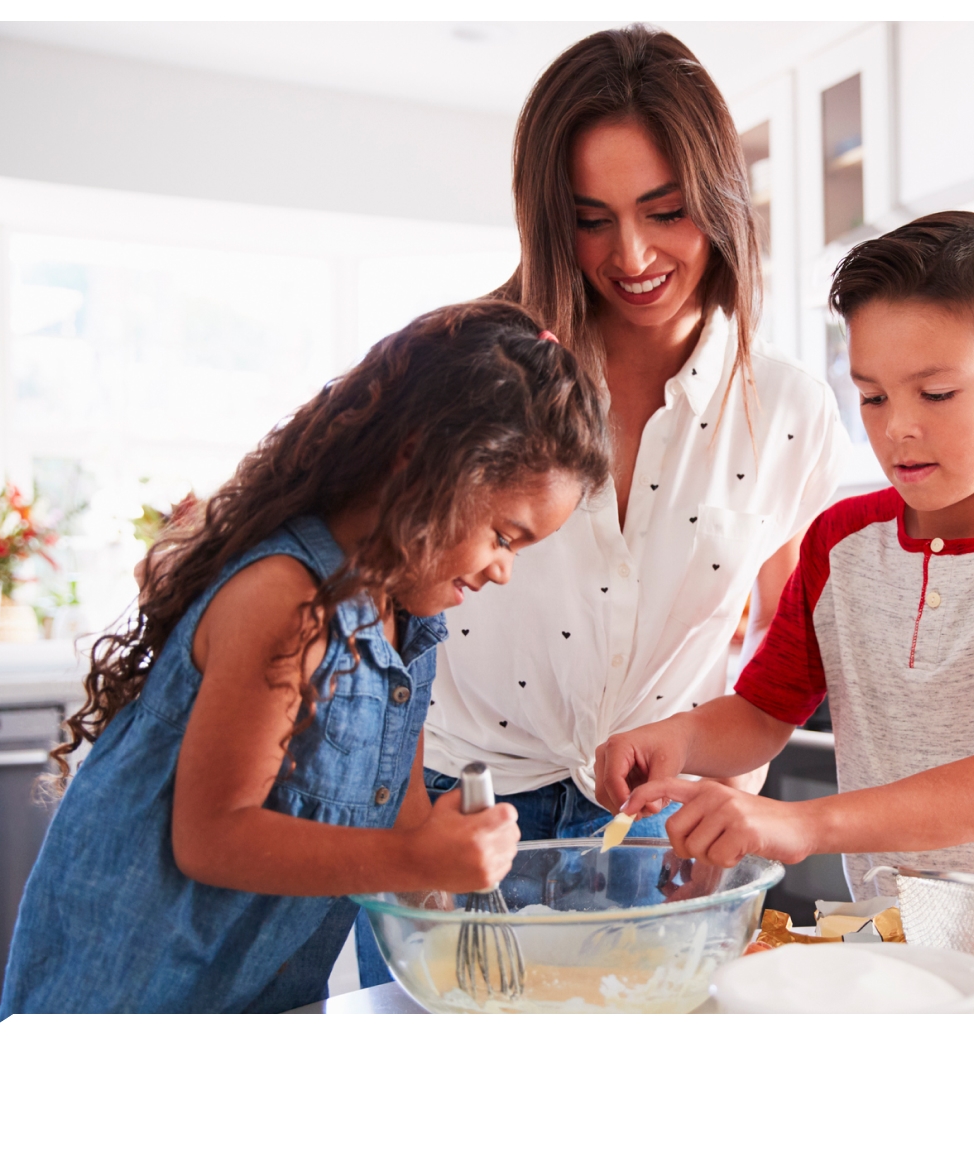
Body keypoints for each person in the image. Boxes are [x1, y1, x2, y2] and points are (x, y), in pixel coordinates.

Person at [344, 28, 849, 991]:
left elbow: (784, 653)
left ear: (722, 202)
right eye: (591, 219)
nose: (633, 255)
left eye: (666, 211)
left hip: (661, 823)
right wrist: (406, 818)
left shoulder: (787, 410)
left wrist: (730, 800)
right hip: (458, 805)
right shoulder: (460, 366)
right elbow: (372, 611)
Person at [0, 301, 610, 1014]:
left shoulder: (408, 630)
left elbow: (404, 822)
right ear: (424, 465)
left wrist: (451, 868)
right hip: (126, 1005)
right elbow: (212, 835)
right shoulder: (288, 600)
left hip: (259, 1005)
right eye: (505, 536)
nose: (504, 569)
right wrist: (416, 858)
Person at [597, 212, 974, 906]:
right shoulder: (840, 543)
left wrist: (801, 824)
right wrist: (677, 738)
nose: (897, 428)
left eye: (936, 393)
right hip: (909, 945)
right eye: (872, 396)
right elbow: (765, 713)